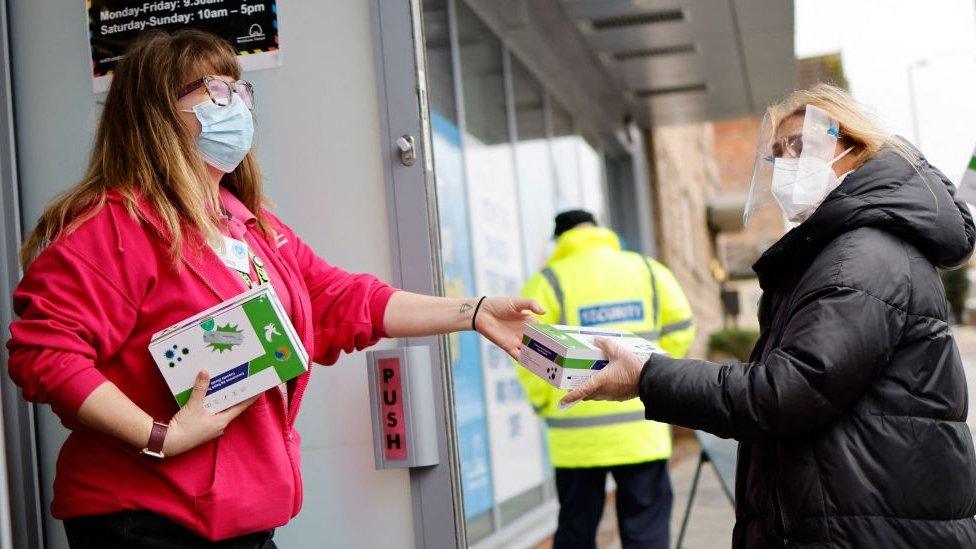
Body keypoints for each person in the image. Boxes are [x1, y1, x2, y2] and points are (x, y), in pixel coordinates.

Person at [5, 30, 543, 548]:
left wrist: (472, 312)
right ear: (158, 114)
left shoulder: (248, 223)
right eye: (215, 91)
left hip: (235, 521)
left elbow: (340, 299)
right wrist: (160, 435)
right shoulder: (115, 227)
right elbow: (44, 351)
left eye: (240, 89)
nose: (236, 104)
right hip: (145, 520)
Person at [561, 84, 976, 548]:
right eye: (779, 153)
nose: (787, 164)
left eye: (802, 145)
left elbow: (785, 391)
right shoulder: (845, 250)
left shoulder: (862, 256)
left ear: (855, 149)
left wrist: (647, 377)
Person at [515, 210, 695, 549]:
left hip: (576, 441)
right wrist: (648, 376)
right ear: (599, 230)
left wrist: (545, 402)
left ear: (559, 239)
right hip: (642, 428)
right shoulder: (648, 271)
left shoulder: (548, 281)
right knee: (646, 530)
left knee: (576, 530)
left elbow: (526, 351)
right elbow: (681, 329)